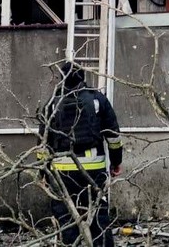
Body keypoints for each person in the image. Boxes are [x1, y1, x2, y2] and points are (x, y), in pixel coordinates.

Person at [38, 62, 123, 246]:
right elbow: (113, 136)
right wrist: (116, 162)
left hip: (62, 174)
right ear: (83, 77)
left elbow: (43, 144)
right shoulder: (98, 100)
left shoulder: (52, 104)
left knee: (66, 220)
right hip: (93, 172)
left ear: (61, 78)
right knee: (98, 218)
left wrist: (43, 172)